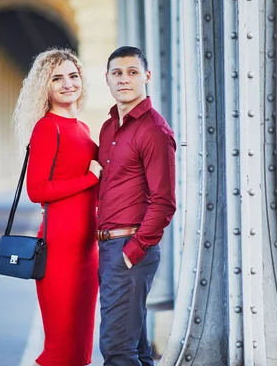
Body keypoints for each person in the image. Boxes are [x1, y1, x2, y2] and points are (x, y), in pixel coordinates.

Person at [13, 48, 103, 366]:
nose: (68, 84)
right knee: (60, 349)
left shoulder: (81, 128)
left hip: (87, 250)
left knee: (81, 350)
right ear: (45, 87)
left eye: (73, 76)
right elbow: (37, 191)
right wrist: (89, 179)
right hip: (59, 250)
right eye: (57, 78)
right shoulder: (46, 128)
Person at [97, 46, 177, 365]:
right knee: (137, 351)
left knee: (116, 349)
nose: (124, 79)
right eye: (117, 73)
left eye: (132, 72)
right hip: (108, 247)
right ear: (107, 79)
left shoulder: (154, 130)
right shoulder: (107, 129)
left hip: (129, 249)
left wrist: (135, 250)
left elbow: (164, 201)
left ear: (146, 76)